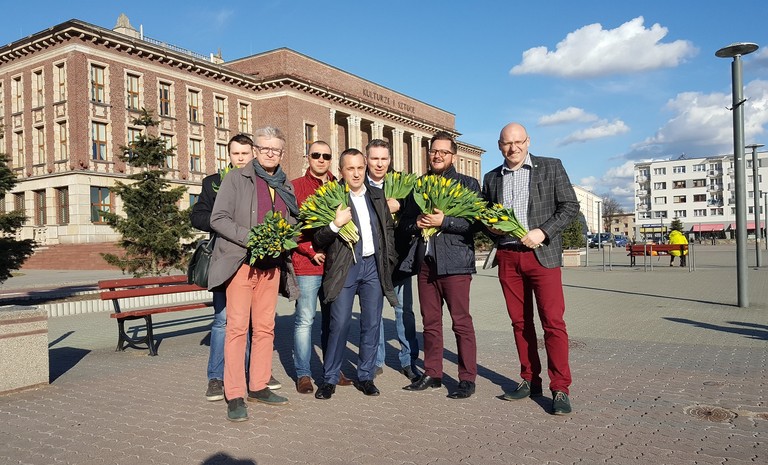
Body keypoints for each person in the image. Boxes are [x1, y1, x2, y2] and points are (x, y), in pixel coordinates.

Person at [481, 122, 579, 415]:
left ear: (528, 142)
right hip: (509, 257)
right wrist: (491, 228)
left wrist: (543, 231)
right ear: (499, 145)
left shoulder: (551, 166)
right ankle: (529, 380)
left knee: (553, 323)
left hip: (542, 255)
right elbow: (485, 215)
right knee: (520, 323)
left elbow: (569, 206)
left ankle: (560, 388)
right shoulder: (492, 178)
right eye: (507, 143)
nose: (513, 148)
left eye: (518, 142)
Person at [208, 126, 299, 422]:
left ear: (282, 153)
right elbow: (218, 218)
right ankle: (235, 393)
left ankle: (259, 385)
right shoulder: (237, 178)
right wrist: (252, 238)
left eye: (276, 149)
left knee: (265, 328)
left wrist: (286, 237)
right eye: (265, 148)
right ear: (256, 151)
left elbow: (293, 220)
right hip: (242, 264)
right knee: (237, 328)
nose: (271, 154)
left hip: (271, 267)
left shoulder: (285, 184)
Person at [400, 131, 480, 399]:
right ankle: (433, 373)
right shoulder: (419, 184)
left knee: (461, 322)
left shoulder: (467, 184)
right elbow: (405, 223)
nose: (437, 155)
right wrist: (416, 223)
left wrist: (444, 222)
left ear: (453, 156)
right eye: (434, 151)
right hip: (426, 264)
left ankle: (467, 378)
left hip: (455, 264)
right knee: (430, 322)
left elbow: (473, 224)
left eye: (443, 152)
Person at [313, 148, 398, 400]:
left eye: (360, 167)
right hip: (346, 267)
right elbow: (318, 238)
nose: (357, 173)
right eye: (351, 168)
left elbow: (388, 230)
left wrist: (389, 259)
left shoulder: (376, 195)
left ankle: (365, 376)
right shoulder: (332, 197)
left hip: (373, 267)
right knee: (339, 323)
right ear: (341, 171)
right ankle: (329, 378)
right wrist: (335, 224)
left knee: (371, 323)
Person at [290, 141, 353, 394]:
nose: (321, 159)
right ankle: (303, 374)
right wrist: (309, 249)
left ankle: (332, 370)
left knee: (333, 321)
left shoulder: (340, 187)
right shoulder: (295, 186)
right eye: (316, 155)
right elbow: (290, 227)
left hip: (334, 266)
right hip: (307, 265)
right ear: (308, 157)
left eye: (326, 156)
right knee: (305, 320)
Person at [365, 139, 421, 381]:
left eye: (383, 159)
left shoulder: (403, 186)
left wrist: (401, 206)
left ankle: (408, 360)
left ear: (390, 160)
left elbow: (417, 213)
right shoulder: (357, 184)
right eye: (374, 158)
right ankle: (376, 360)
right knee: (374, 312)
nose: (379, 164)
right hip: (371, 261)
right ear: (367, 159)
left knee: (403, 310)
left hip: (399, 259)